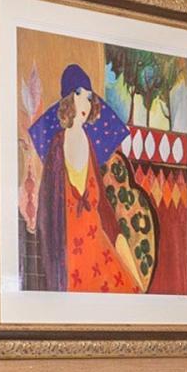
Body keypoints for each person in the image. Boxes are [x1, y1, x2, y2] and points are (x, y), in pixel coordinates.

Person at [24, 63, 152, 293]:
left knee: (127, 290)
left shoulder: (90, 144)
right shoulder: (57, 146)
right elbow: (47, 209)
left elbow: (103, 206)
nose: (85, 103)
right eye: (79, 94)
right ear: (68, 100)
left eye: (89, 97)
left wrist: (126, 256)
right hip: (69, 256)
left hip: (98, 247)